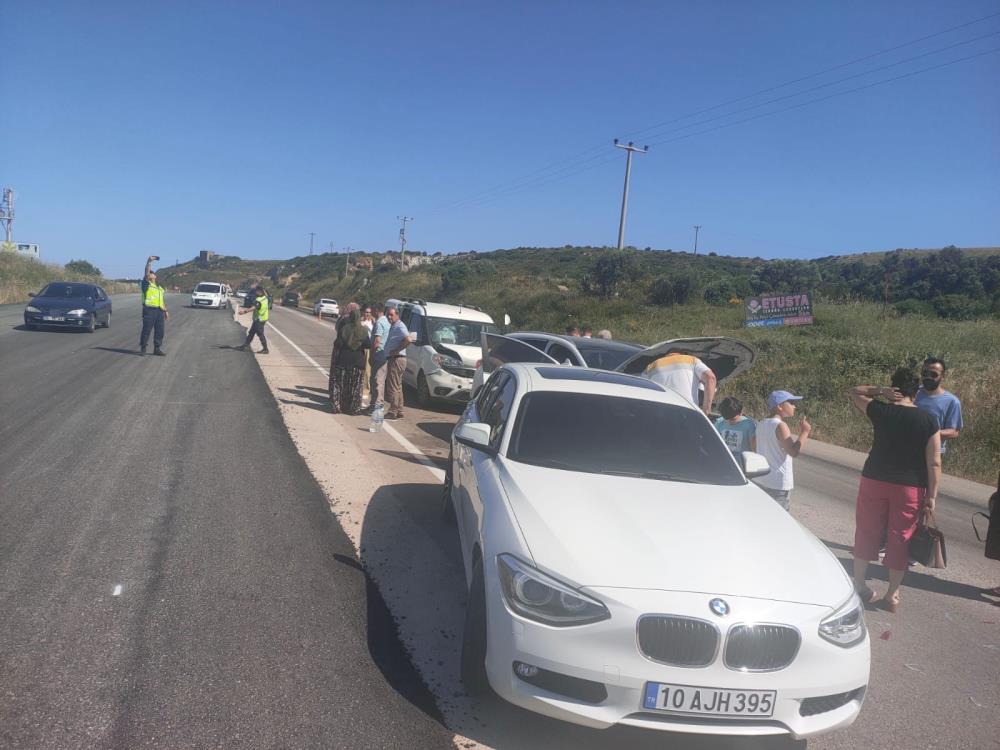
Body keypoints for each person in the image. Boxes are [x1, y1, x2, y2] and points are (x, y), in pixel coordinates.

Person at [848, 369, 941, 613]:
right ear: (917, 392)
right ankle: (892, 594)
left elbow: (854, 391)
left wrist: (879, 391)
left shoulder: (880, 410)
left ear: (893, 388)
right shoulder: (929, 420)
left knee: (867, 530)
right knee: (900, 537)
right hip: (910, 486)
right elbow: (934, 462)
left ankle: (860, 585)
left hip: (874, 479)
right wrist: (932, 495)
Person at [754, 390, 811, 511]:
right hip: (778, 484)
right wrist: (805, 432)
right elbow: (793, 452)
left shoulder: (760, 424)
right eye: (791, 402)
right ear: (780, 406)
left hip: (762, 479)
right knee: (778, 522)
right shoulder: (780, 425)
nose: (794, 406)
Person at [641, 350, 717, 415]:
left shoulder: (650, 367)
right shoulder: (692, 360)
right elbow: (711, 378)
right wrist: (706, 409)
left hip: (659, 414)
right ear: (683, 354)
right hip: (687, 413)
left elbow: (642, 392)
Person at [914, 357, 963, 454]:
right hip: (907, 450)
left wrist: (930, 433)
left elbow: (954, 432)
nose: (928, 377)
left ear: (943, 376)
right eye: (925, 373)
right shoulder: (911, 393)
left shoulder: (952, 401)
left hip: (933, 453)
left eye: (933, 374)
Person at [329, 304, 370, 415]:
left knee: (341, 384)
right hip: (358, 362)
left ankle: (339, 406)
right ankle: (353, 408)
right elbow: (368, 345)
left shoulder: (344, 329)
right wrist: (359, 343)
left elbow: (338, 343)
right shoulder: (364, 331)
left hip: (343, 360)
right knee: (355, 387)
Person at [382, 305, 414, 420]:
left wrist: (396, 350)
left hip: (397, 358)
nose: (389, 317)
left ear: (397, 315)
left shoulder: (400, 326)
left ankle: (393, 411)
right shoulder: (394, 326)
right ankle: (399, 410)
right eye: (388, 315)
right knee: (397, 385)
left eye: (391, 315)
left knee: (393, 387)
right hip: (396, 358)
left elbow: (409, 339)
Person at [138, 255, 169, 356]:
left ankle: (157, 348)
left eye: (152, 273)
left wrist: (165, 311)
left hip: (159, 311)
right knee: (146, 330)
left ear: (155, 276)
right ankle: (143, 348)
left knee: (160, 331)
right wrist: (149, 262)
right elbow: (147, 272)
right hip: (149, 310)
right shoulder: (146, 285)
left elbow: (161, 299)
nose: (150, 274)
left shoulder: (159, 287)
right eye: (149, 274)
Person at [367, 303, 390, 413]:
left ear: (376, 310)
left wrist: (371, 356)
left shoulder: (379, 323)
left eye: (372, 311)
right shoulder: (386, 321)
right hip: (384, 355)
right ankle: (374, 405)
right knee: (379, 380)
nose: (371, 313)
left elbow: (377, 341)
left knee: (377, 381)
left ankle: (377, 406)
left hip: (379, 355)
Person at [236, 284, 270, 354]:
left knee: (260, 334)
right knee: (251, 333)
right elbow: (266, 295)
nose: (255, 292)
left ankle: (265, 349)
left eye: (256, 291)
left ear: (260, 292)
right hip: (260, 319)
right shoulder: (265, 298)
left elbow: (254, 307)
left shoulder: (259, 300)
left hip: (259, 320)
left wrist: (244, 312)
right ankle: (245, 346)